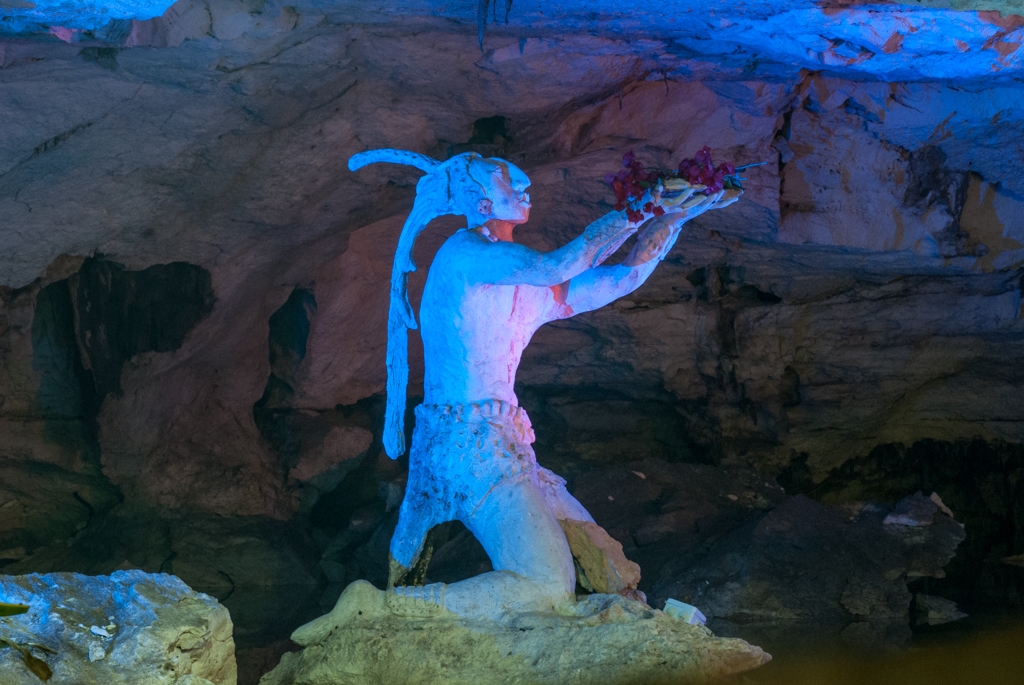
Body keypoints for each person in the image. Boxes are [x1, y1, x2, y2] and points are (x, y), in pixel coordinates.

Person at [292, 150, 738, 644]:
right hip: (468, 448)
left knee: (611, 569)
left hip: (503, 443)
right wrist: (638, 210)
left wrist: (670, 221)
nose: (524, 188)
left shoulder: (515, 282)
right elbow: (557, 266)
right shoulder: (465, 256)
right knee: (549, 586)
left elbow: (609, 280)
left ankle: (630, 642)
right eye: (507, 181)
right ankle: (378, 606)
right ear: (481, 202)